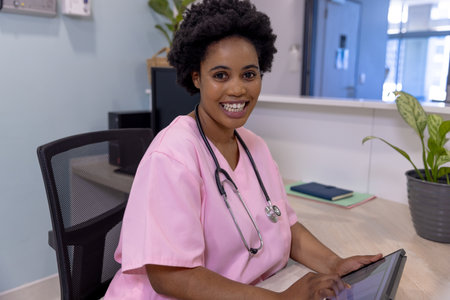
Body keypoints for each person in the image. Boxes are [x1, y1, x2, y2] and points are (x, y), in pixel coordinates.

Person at [105, 0, 382, 299]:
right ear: (196, 77)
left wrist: (335, 264)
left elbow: (285, 226)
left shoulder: (255, 146)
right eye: (221, 75)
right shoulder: (172, 156)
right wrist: (280, 299)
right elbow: (169, 277)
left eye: (249, 74)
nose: (237, 89)